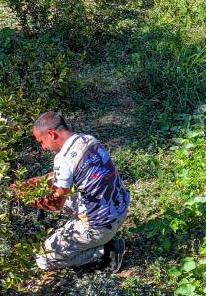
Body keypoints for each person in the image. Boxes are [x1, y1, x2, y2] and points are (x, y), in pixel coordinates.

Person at [14, 112, 129, 273]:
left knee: (43, 258)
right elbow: (61, 176)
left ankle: (105, 248)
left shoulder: (63, 159)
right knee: (53, 189)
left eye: (41, 142)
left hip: (99, 227)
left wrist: (25, 196)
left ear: (51, 134)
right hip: (120, 209)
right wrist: (32, 183)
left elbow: (55, 205)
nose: (43, 147)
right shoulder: (88, 140)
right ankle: (100, 239)